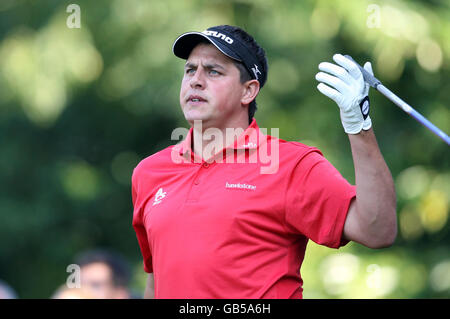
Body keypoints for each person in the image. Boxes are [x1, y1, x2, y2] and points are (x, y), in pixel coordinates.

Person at [131, 25, 397, 298]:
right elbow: (156, 281)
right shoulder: (149, 172)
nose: (195, 81)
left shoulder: (292, 164)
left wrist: (359, 126)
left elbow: (378, 231)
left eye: (213, 71)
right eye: (190, 70)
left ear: (248, 91)